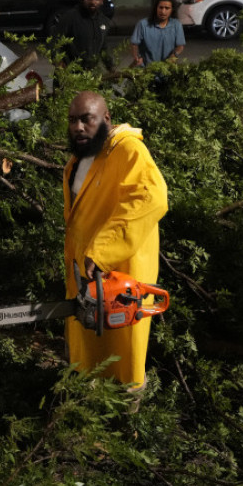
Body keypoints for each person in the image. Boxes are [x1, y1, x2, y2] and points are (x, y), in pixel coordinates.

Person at [63, 91, 168, 387]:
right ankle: (89, 408)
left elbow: (150, 197)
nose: (79, 127)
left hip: (120, 276)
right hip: (86, 273)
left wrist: (102, 251)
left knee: (123, 358)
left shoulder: (128, 150)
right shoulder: (79, 160)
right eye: (73, 120)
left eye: (87, 119)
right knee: (90, 350)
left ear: (106, 120)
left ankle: (126, 418)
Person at [54, 0, 113, 71]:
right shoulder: (70, 18)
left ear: (102, 0)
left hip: (90, 76)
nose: (93, 2)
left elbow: (103, 48)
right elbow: (55, 42)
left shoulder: (104, 22)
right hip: (69, 75)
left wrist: (111, 67)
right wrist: (59, 64)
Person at [130, 0, 186, 67]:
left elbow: (180, 45)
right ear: (156, 8)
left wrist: (174, 55)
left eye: (167, 8)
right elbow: (134, 43)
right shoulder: (143, 24)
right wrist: (136, 57)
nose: (163, 11)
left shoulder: (176, 25)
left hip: (167, 68)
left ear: (172, 10)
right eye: (161, 7)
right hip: (146, 68)